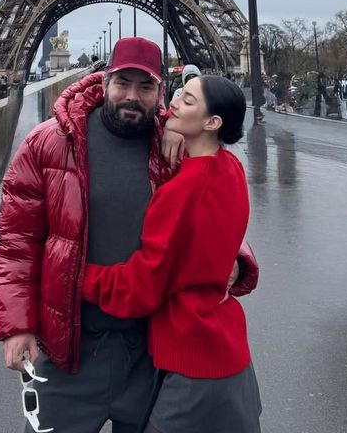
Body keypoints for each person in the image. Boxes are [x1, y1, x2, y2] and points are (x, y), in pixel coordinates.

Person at [0, 36, 259, 433]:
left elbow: (213, 210)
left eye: (145, 86)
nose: (132, 96)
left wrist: (234, 259)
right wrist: (17, 326)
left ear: (160, 92)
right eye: (123, 83)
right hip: (72, 347)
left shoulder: (180, 145)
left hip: (149, 352)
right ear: (104, 83)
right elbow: (16, 241)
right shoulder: (47, 142)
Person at [82, 74, 261, 432]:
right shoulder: (232, 170)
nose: (174, 104)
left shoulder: (180, 192)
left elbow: (141, 287)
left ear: (212, 123)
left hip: (193, 362)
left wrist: (80, 276)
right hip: (231, 356)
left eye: (188, 101)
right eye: (178, 94)